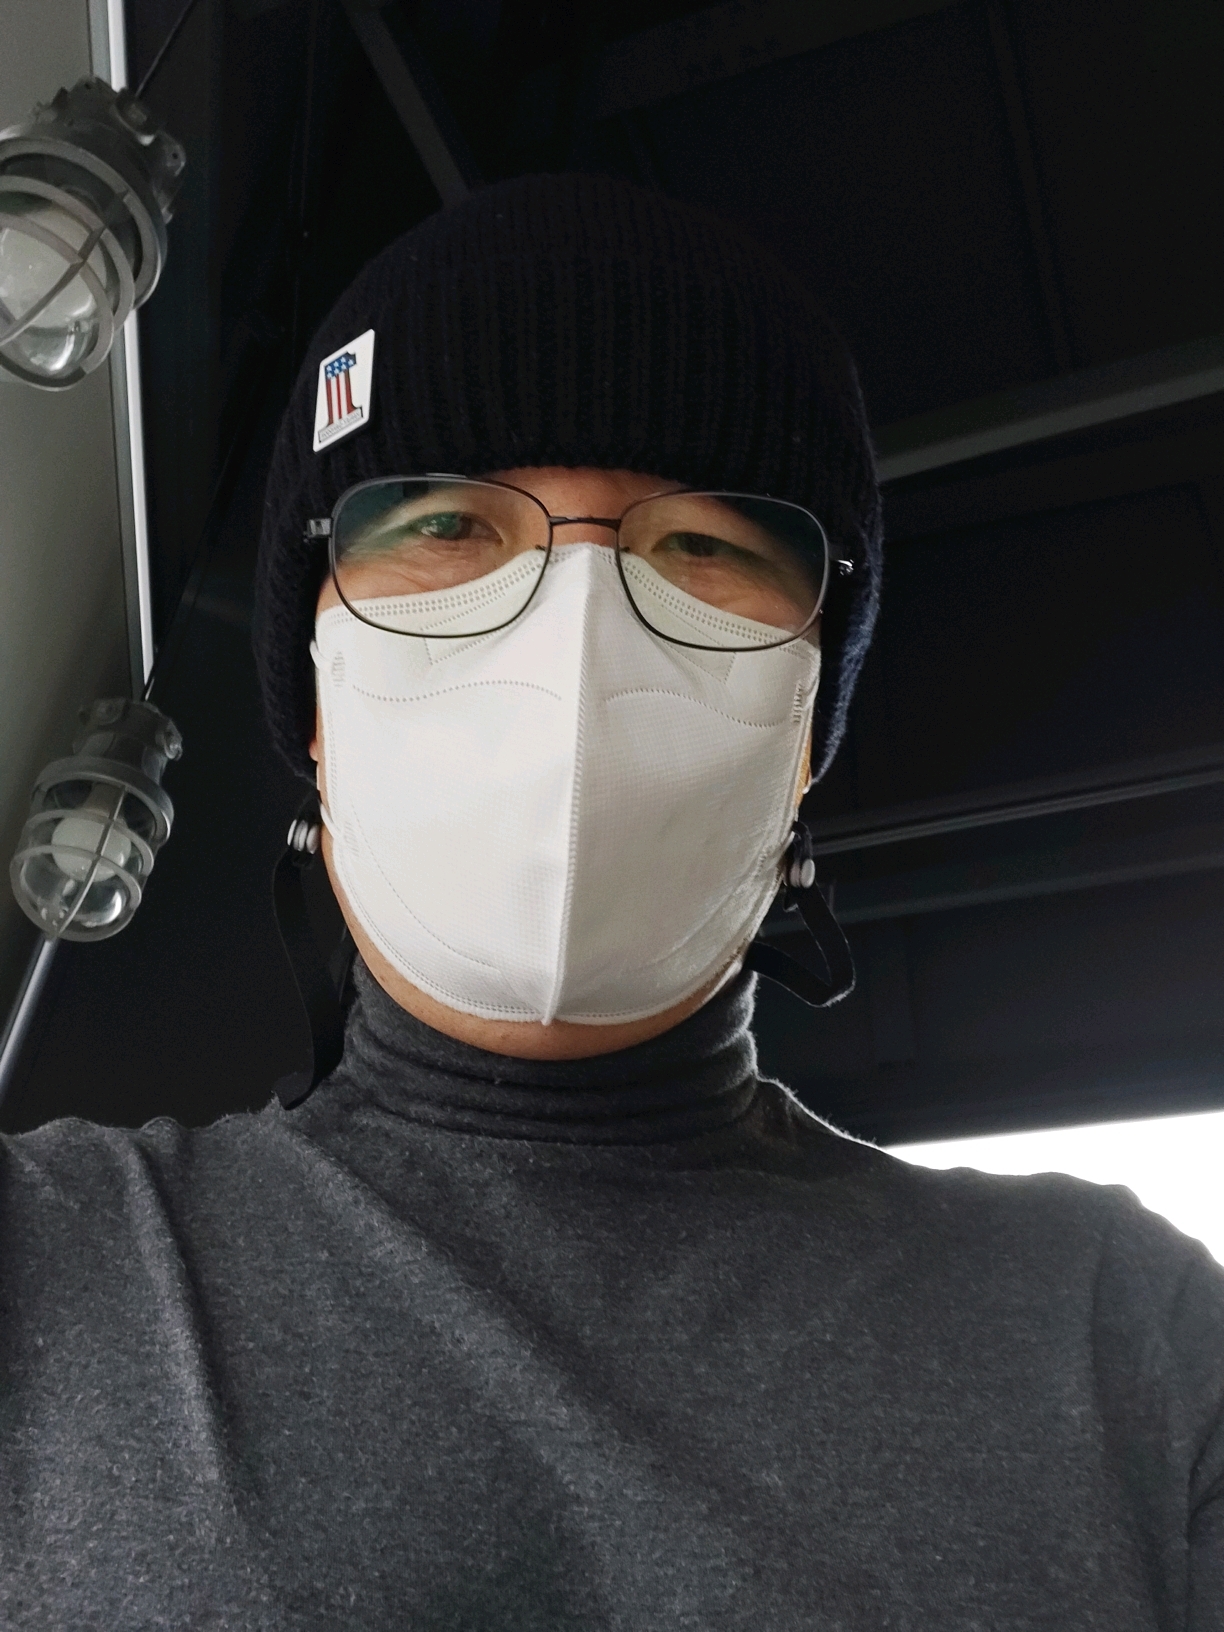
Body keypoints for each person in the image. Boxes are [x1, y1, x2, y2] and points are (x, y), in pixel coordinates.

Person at [1, 172, 1221, 1629]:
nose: (573, 640)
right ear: (318, 703)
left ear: (804, 731)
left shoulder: (1124, 1349)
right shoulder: (41, 1276)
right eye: (447, 526)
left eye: (704, 545)